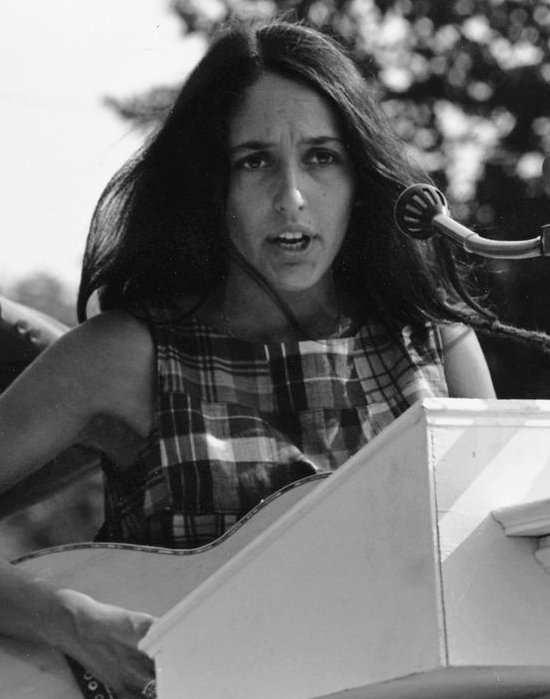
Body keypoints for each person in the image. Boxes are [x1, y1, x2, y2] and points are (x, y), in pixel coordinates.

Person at [1, 16, 535, 699]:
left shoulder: (437, 343)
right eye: (254, 161)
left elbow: (496, 576)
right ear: (209, 182)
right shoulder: (125, 355)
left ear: (361, 175)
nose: (292, 198)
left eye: (321, 157)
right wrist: (72, 622)